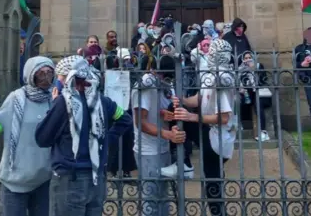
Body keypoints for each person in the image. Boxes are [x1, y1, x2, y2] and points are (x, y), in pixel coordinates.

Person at [35, 55, 133, 216]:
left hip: (69, 179)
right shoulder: (101, 101)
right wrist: (106, 139)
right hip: (96, 178)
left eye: (60, 77)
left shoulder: (63, 103)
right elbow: (125, 119)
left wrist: (52, 106)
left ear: (68, 77)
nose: (58, 81)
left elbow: (42, 138)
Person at [163, 39, 236, 216]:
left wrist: (192, 116)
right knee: (212, 182)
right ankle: (183, 163)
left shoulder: (221, 80)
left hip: (217, 137)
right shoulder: (210, 76)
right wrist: (182, 100)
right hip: (208, 132)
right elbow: (199, 99)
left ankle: (185, 164)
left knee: (213, 185)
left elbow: (224, 118)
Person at [0, 56, 55, 216]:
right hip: (14, 182)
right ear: (31, 74)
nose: (46, 78)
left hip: (43, 180)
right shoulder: (16, 99)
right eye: (41, 73)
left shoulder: (53, 101)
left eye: (50, 73)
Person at [131, 55, 186, 216]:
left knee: (163, 198)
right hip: (148, 150)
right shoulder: (145, 86)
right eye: (163, 75)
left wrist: (166, 114)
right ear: (154, 71)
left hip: (163, 148)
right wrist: (168, 134)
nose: (166, 79)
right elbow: (140, 122)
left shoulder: (167, 85)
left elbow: (159, 110)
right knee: (151, 200)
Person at [238, 51, 272, 141]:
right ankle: (238, 124)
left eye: (249, 57)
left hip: (259, 92)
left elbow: (262, 80)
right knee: (237, 101)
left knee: (258, 105)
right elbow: (240, 83)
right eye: (245, 58)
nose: (248, 60)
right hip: (247, 94)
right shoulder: (241, 69)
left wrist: (253, 70)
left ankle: (263, 132)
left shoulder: (258, 66)